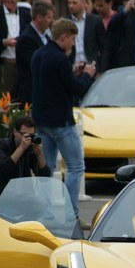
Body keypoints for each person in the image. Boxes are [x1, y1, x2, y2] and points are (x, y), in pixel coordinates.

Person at [31, 18, 96, 228]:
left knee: (46, 169)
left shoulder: (39, 54)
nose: (73, 44)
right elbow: (75, 89)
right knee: (76, 167)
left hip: (42, 121)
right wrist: (87, 76)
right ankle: (71, 216)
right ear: (64, 37)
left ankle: (47, 216)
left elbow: (55, 83)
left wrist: (73, 72)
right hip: (61, 122)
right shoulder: (59, 59)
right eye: (73, 39)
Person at [0, 115, 52, 209]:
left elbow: (45, 177)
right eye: (24, 134)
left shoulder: (30, 149)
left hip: (23, 199)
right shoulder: (1, 146)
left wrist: (39, 153)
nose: (27, 138)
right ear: (15, 132)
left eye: (31, 135)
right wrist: (21, 148)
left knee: (46, 209)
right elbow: (4, 169)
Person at [0, 0, 31, 98]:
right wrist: (4, 42)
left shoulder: (26, 15)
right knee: (2, 105)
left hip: (22, 68)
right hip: (3, 67)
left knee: (22, 105)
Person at [15, 0, 55, 106]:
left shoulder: (46, 36)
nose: (52, 21)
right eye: (49, 17)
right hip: (31, 93)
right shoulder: (26, 38)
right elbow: (35, 64)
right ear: (39, 17)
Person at [68, 0, 105, 66]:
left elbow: (104, 46)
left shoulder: (95, 21)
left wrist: (101, 69)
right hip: (72, 67)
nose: (71, 6)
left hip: (92, 66)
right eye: (69, 3)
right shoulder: (65, 22)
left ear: (83, 3)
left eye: (74, 3)